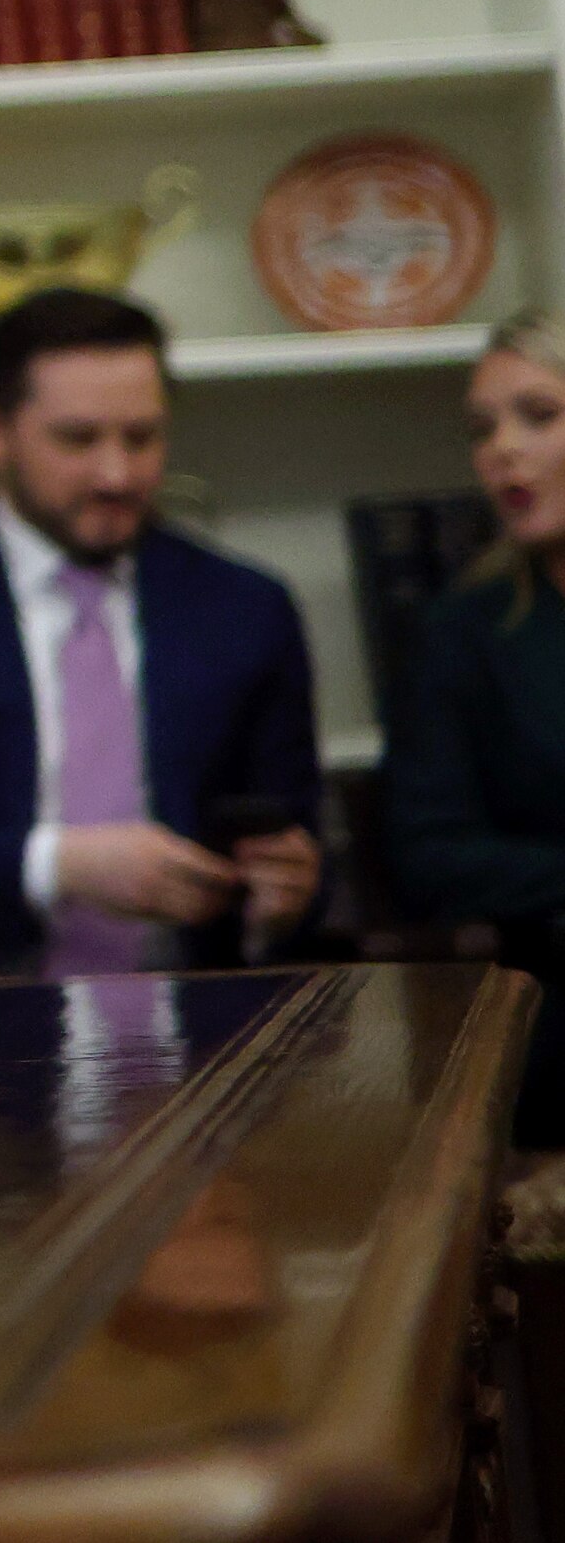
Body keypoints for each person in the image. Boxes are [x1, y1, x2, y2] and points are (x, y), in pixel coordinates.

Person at [0, 287, 325, 981]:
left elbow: (297, 840)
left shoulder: (245, 606)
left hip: (202, 1031)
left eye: (142, 436)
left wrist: (287, 894)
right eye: (78, 438)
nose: (117, 473)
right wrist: (61, 864)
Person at [377, 315, 565, 1140]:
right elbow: (428, 853)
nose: (501, 449)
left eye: (539, 414)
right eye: (481, 427)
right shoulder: (466, 630)